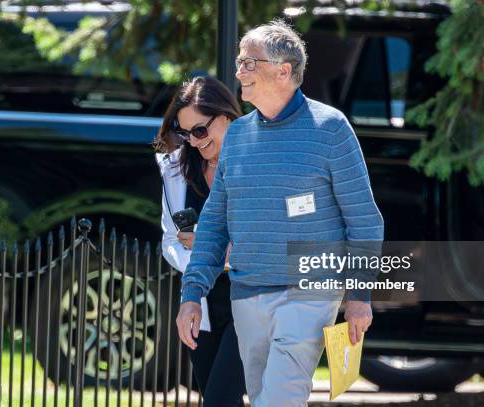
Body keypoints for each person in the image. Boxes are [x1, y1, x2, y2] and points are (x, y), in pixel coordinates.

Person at [176, 20, 384, 406]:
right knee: (261, 397)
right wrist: (193, 293)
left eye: (248, 63)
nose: (239, 72)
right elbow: (215, 222)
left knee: (279, 399)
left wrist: (359, 294)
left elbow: (364, 219)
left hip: (310, 291)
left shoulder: (331, 129)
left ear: (283, 71)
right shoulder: (237, 136)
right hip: (248, 295)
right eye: (239, 62)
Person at [154, 76, 246, 407]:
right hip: (201, 305)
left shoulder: (256, 163)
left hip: (251, 302)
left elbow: (274, 238)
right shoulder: (175, 171)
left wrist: (213, 248)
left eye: (200, 131)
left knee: (221, 400)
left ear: (227, 116)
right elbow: (170, 241)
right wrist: (201, 261)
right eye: (185, 133)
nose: (193, 141)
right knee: (215, 397)